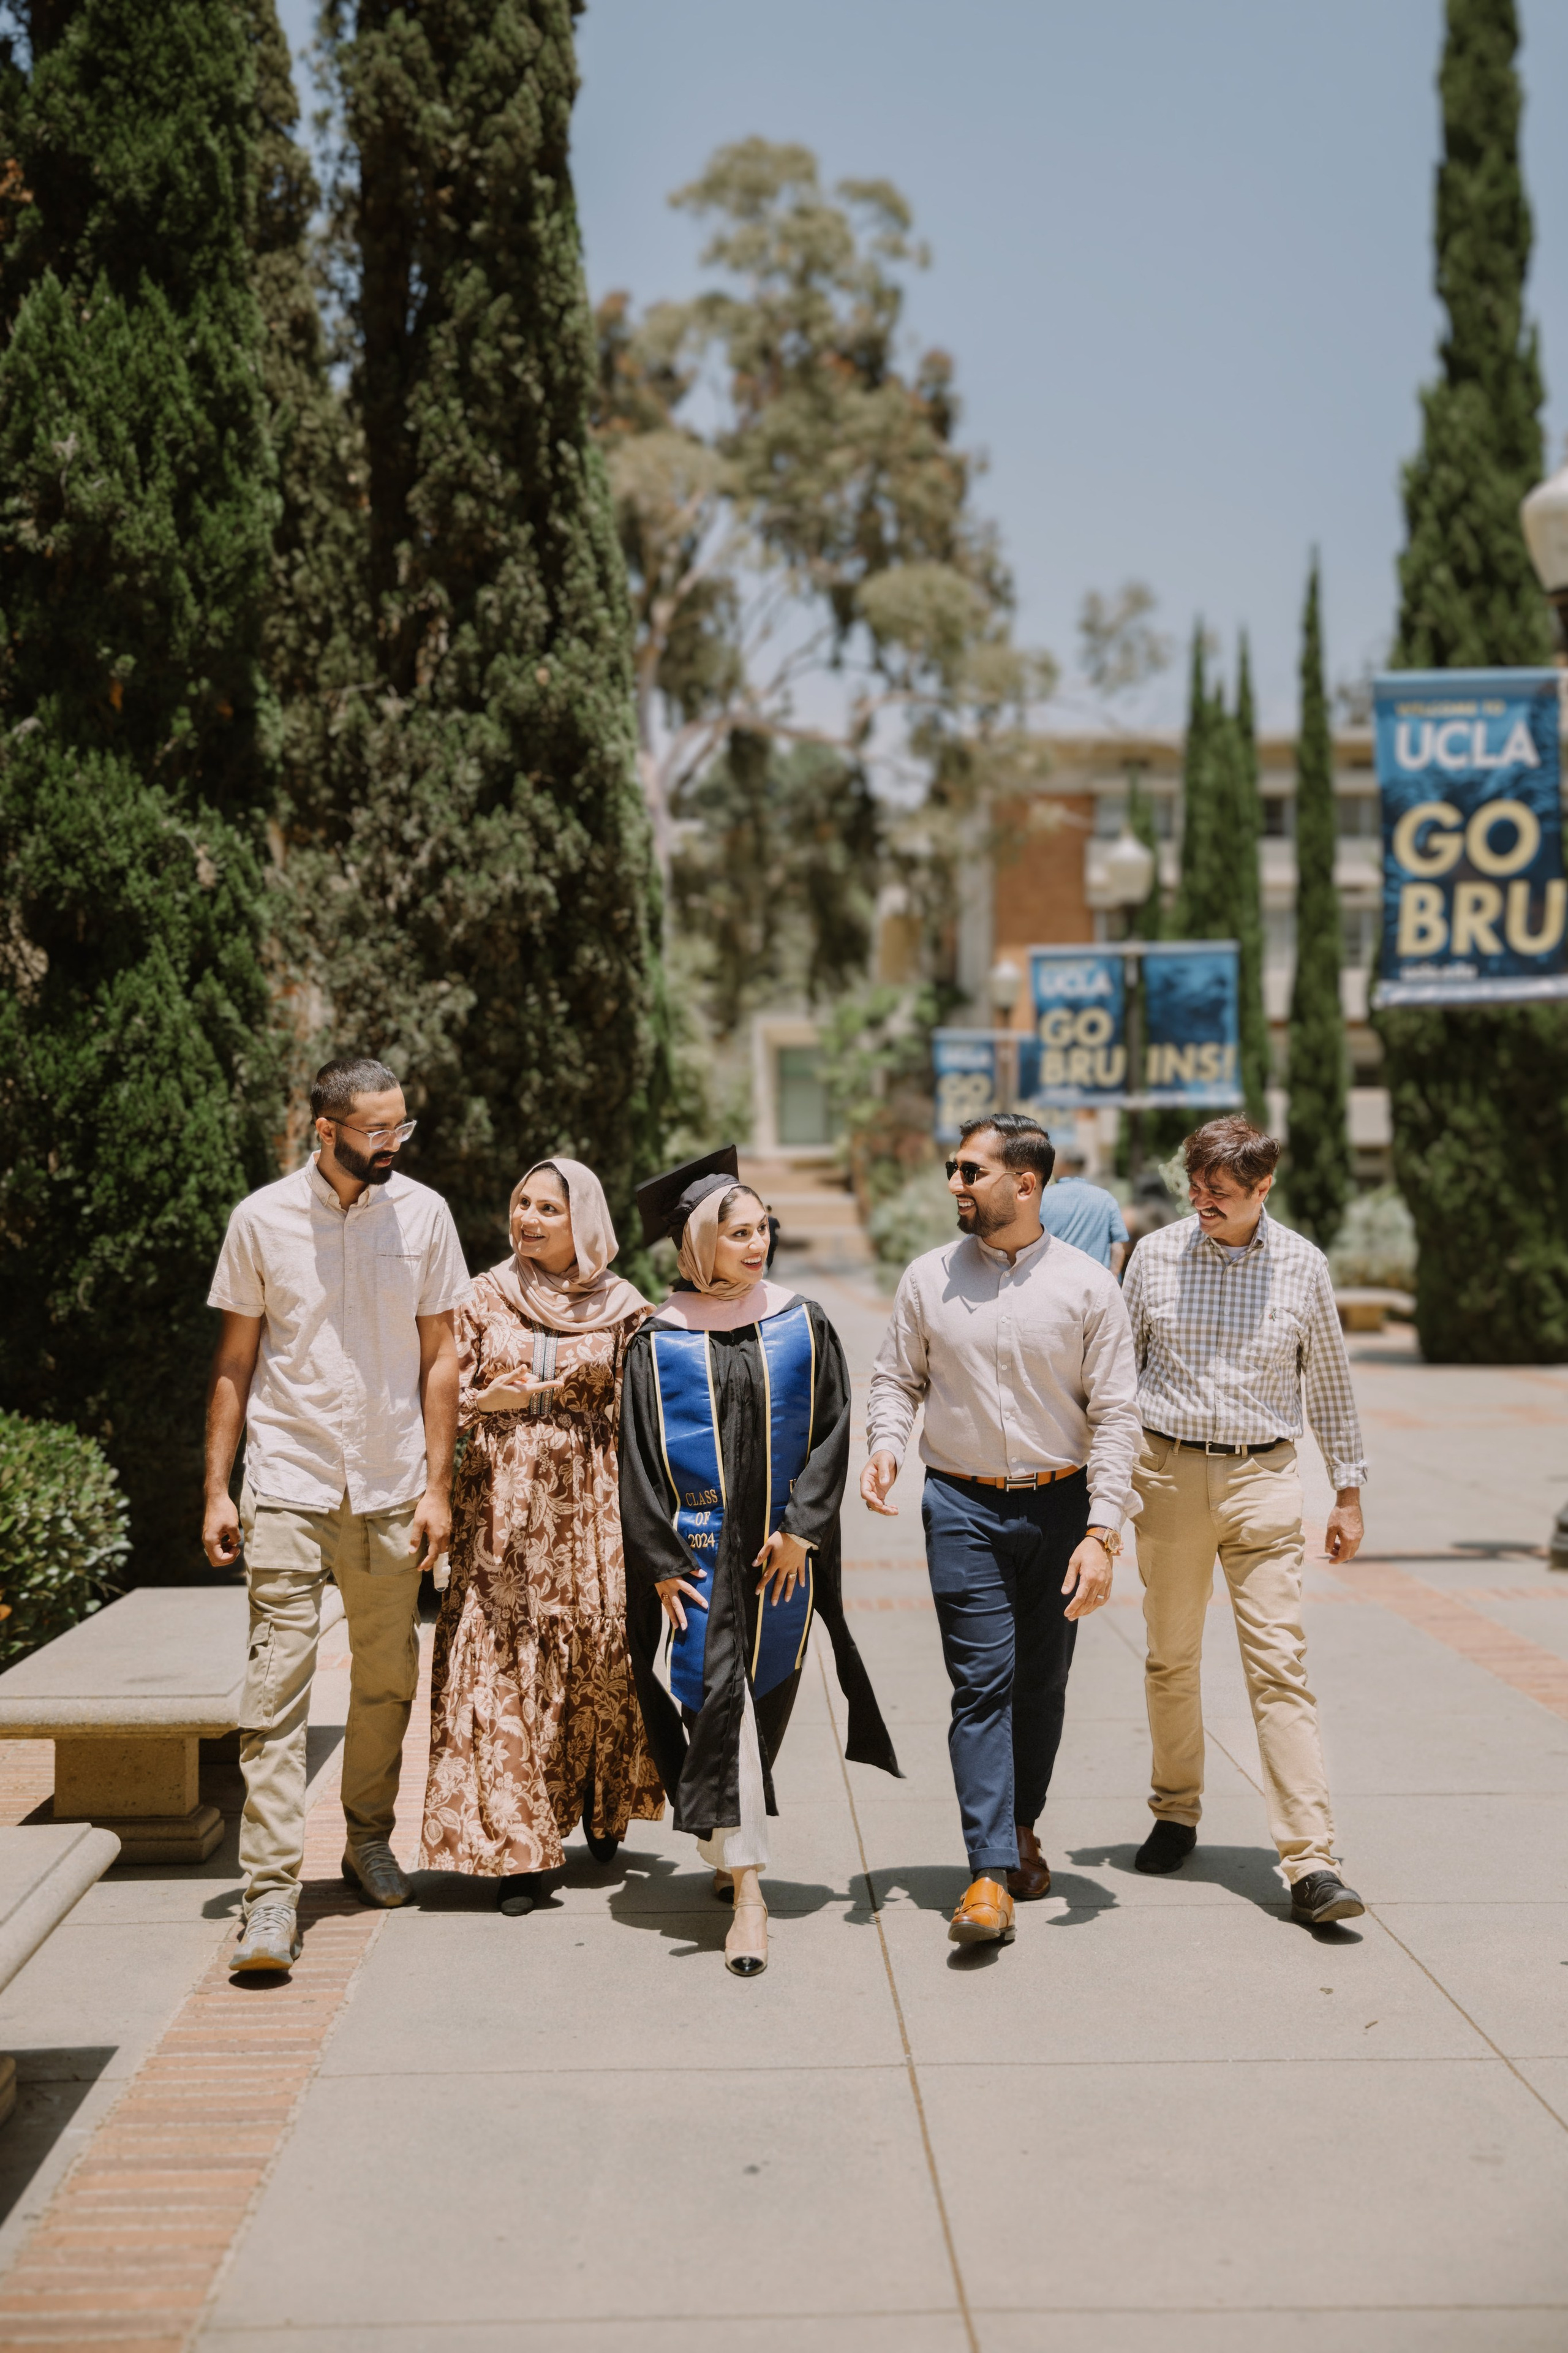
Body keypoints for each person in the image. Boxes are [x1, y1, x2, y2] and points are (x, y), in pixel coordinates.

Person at [204, 1057, 469, 1974]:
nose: (393, 1145)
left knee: (388, 1680)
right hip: (287, 1477)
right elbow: (235, 1362)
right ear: (325, 1129)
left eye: (403, 1128)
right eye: (376, 1132)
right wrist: (215, 1487)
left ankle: (366, 1838)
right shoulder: (262, 1221)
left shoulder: (425, 1215)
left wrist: (440, 1486)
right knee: (274, 1694)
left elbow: (443, 1356)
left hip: (393, 1481)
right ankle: (270, 1898)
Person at [619, 1148, 900, 1978]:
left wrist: (804, 1529)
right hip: (695, 1563)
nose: (755, 1245)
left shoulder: (801, 1324)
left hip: (781, 1556)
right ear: (699, 1242)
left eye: (762, 1229)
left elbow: (833, 1432)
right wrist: (662, 1559)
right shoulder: (655, 1343)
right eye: (737, 1232)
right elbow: (635, 1459)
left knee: (760, 1703)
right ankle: (750, 1894)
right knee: (717, 1703)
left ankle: (728, 1834)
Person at [863, 1113, 1142, 1949]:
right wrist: (885, 1445)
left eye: (971, 1171)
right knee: (981, 1684)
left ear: (1027, 1184)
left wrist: (1102, 1531)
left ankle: (1023, 1823)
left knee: (1042, 1684)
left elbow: (1119, 1414)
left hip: (1061, 1509)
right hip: (963, 1508)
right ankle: (987, 1872)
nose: (954, 1182)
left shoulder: (1088, 1288)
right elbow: (894, 1378)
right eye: (955, 1168)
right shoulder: (927, 1279)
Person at [1122, 1115, 1368, 1927]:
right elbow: (1119, 1376)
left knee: (1279, 1665)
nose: (1202, 1201)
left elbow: (1328, 1380)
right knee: (1172, 1657)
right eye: (1194, 1186)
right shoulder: (1155, 1256)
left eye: (1220, 1192)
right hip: (1167, 1474)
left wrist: (1349, 1489)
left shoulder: (1302, 1265)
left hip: (1264, 1477)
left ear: (1264, 1189)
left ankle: (1311, 1859)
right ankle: (1176, 1809)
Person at [420, 1158, 664, 1913]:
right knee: (494, 1666)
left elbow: (655, 1408)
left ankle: (598, 1804)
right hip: (499, 1516)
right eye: (521, 1202)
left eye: (548, 1208)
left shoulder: (627, 1309)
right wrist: (476, 1401)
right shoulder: (480, 1295)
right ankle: (518, 1855)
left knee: (596, 1656)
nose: (527, 1218)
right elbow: (430, 1385)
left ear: (582, 1221)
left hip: (591, 1517)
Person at [1039, 1136, 1129, 1275]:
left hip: (1054, 1282)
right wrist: (1112, 1279)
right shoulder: (1106, 1199)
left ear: (1064, 1166)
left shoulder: (1043, 1198)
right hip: (1096, 1284)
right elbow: (1118, 1247)